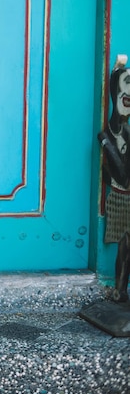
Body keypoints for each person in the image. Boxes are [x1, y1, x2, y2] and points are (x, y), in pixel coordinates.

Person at [98, 54, 130, 302]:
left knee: (126, 247)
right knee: (122, 246)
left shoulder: (124, 132)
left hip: (126, 195)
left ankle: (121, 292)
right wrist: (118, 68)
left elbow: (123, 175)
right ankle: (120, 292)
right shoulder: (114, 125)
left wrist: (106, 144)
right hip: (118, 198)